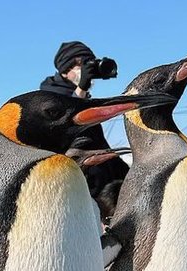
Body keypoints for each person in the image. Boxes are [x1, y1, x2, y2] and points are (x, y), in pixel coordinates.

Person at [39, 41, 126, 197]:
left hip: (101, 179)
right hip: (74, 181)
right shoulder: (47, 97)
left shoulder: (83, 96)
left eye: (89, 64)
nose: (86, 70)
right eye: (81, 65)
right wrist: (81, 89)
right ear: (65, 69)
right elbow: (66, 124)